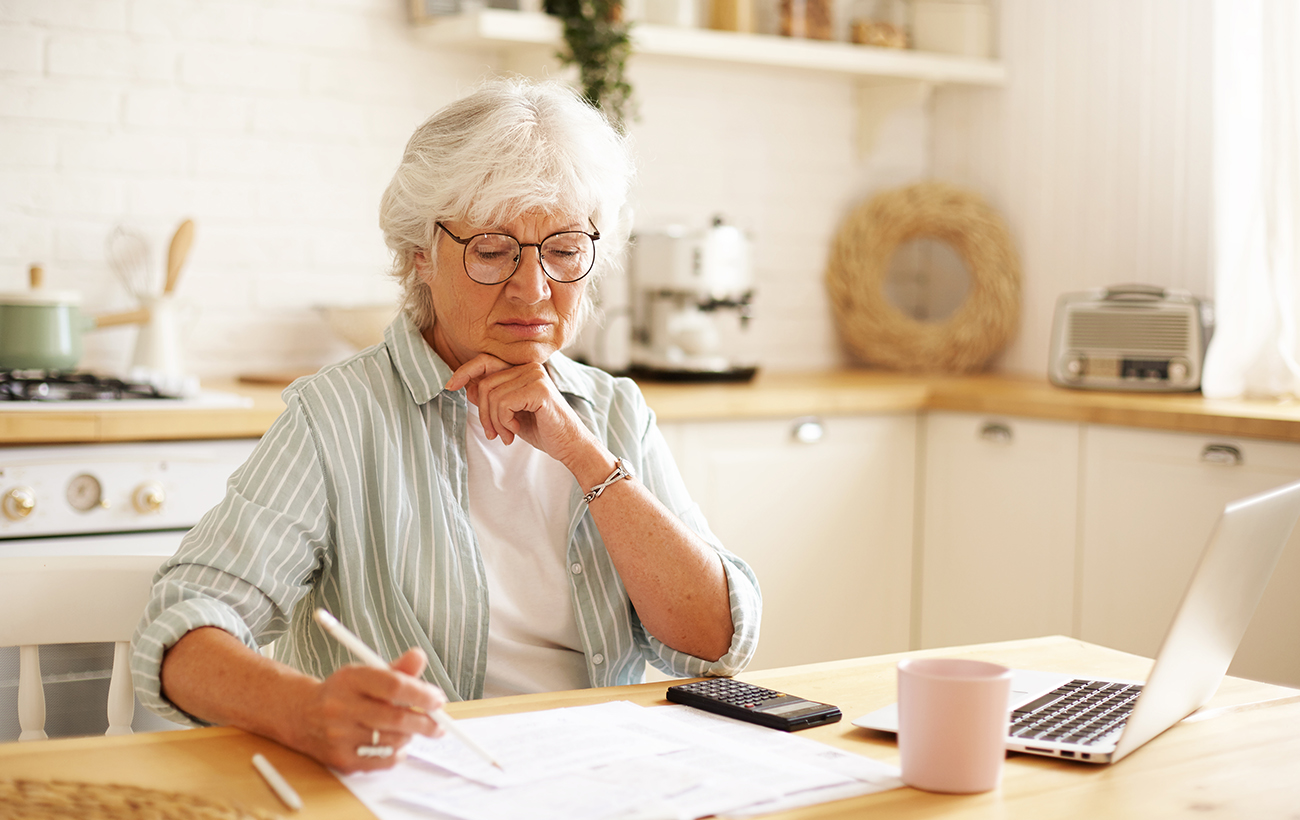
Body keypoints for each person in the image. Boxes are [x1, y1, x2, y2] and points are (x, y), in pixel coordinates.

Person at [131, 78, 762, 773]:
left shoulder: (612, 411)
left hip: (596, 781)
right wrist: (305, 713)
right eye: (492, 251)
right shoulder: (338, 415)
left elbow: (715, 640)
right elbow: (182, 631)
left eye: (563, 248)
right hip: (420, 789)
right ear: (417, 255)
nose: (533, 289)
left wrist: (584, 457)